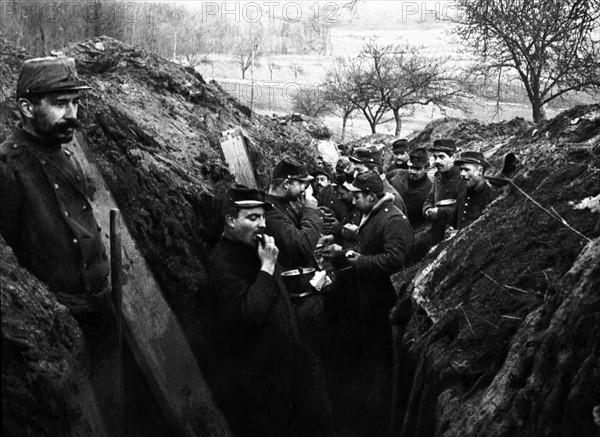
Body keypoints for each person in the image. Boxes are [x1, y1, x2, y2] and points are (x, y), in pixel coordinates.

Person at [0, 57, 128, 435]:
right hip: (61, 327)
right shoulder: (8, 166)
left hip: (99, 311)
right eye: (60, 103)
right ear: (26, 107)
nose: (72, 113)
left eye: (75, 102)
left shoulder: (67, 153)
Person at [205, 186, 331, 437]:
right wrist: (268, 266)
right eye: (252, 218)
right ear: (230, 220)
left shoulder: (256, 248)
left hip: (286, 364)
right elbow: (248, 314)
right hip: (261, 379)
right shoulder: (223, 263)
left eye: (262, 217)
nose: (262, 224)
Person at [327, 171, 414, 437]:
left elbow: (395, 260)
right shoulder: (375, 214)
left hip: (383, 304)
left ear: (371, 196)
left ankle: (375, 419)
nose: (353, 201)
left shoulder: (393, 220)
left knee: (379, 362)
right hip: (368, 299)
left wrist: (359, 261)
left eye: (357, 196)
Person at [265, 157, 323, 270]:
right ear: (286, 183)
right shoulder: (269, 212)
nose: (304, 189)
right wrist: (310, 210)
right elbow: (302, 248)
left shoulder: (288, 201)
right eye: (301, 183)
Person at [387, 148, 433, 263]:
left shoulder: (430, 190)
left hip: (408, 237)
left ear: (427, 168)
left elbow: (426, 224)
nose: (412, 171)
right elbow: (380, 184)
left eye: (417, 169)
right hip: (387, 228)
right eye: (410, 167)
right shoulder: (396, 175)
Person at [422, 138, 464, 246]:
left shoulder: (462, 178)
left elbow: (463, 208)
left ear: (453, 157)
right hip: (436, 231)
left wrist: (440, 213)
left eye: (441, 157)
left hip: (454, 234)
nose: (437, 161)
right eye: (435, 157)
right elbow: (430, 199)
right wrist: (427, 210)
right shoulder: (438, 177)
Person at [349, 147, 407, 215]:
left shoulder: (392, 199)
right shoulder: (366, 190)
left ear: (375, 170)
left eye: (359, 170)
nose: (354, 175)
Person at [451, 151, 499, 231]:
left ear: (480, 171)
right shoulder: (462, 191)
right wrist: (451, 229)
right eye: (461, 170)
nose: (462, 174)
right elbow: (453, 219)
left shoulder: (491, 198)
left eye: (466, 170)